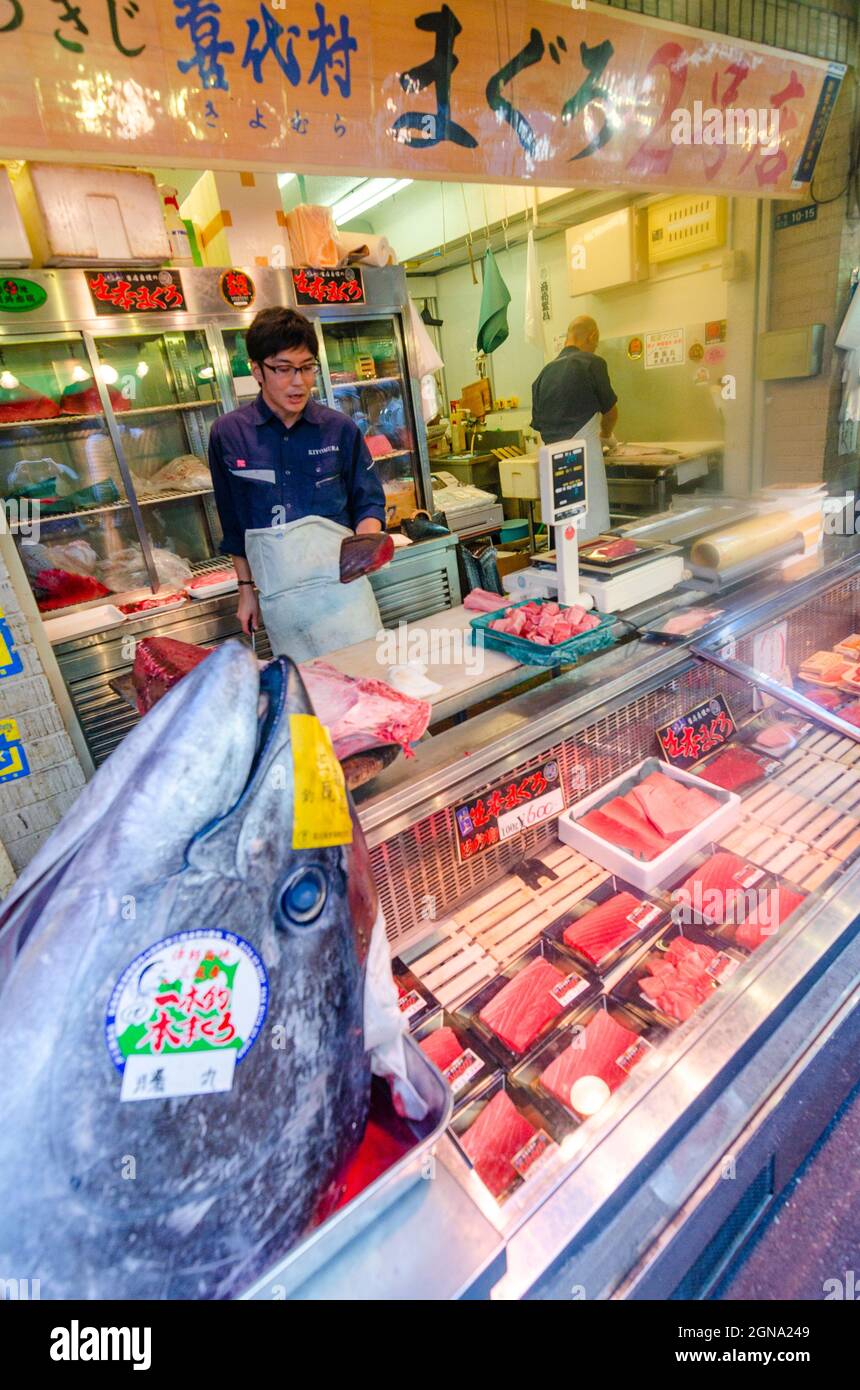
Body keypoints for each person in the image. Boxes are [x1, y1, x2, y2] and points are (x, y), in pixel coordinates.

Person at [208, 307, 387, 659]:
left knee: (370, 693)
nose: (298, 382)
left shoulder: (340, 429)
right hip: (280, 603)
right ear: (256, 369)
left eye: (306, 368)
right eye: (283, 369)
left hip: (344, 596)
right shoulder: (228, 434)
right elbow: (232, 521)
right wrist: (246, 590)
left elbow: (369, 502)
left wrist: (363, 552)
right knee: (305, 702)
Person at [530, 315, 619, 540]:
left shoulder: (542, 375)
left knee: (565, 529)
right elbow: (611, 412)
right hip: (585, 460)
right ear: (592, 336)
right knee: (591, 528)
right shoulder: (593, 363)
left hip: (555, 467)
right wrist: (606, 436)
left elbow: (540, 426)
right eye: (596, 343)